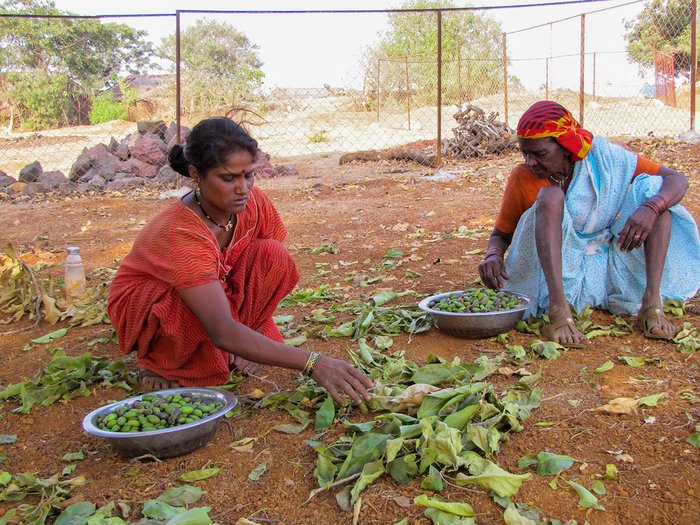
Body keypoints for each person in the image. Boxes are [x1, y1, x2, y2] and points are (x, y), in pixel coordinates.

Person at [107, 117, 373, 405]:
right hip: (153, 305)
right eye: (229, 178)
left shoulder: (252, 203)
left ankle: (242, 343)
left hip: (212, 291)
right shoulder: (180, 233)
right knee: (191, 309)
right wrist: (313, 363)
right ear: (196, 174)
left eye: (248, 175)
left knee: (273, 255)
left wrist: (250, 328)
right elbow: (221, 330)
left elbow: (266, 270)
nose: (243, 188)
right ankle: (164, 361)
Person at [479, 100, 700, 348]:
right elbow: (501, 233)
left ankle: (651, 303)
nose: (530, 162)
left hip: (609, 268)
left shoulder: (603, 160)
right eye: (525, 153)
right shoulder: (523, 177)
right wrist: (493, 255)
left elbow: (676, 179)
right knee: (551, 198)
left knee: (654, 193)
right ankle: (558, 311)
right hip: (556, 277)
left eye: (539, 154)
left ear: (566, 146)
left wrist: (652, 207)